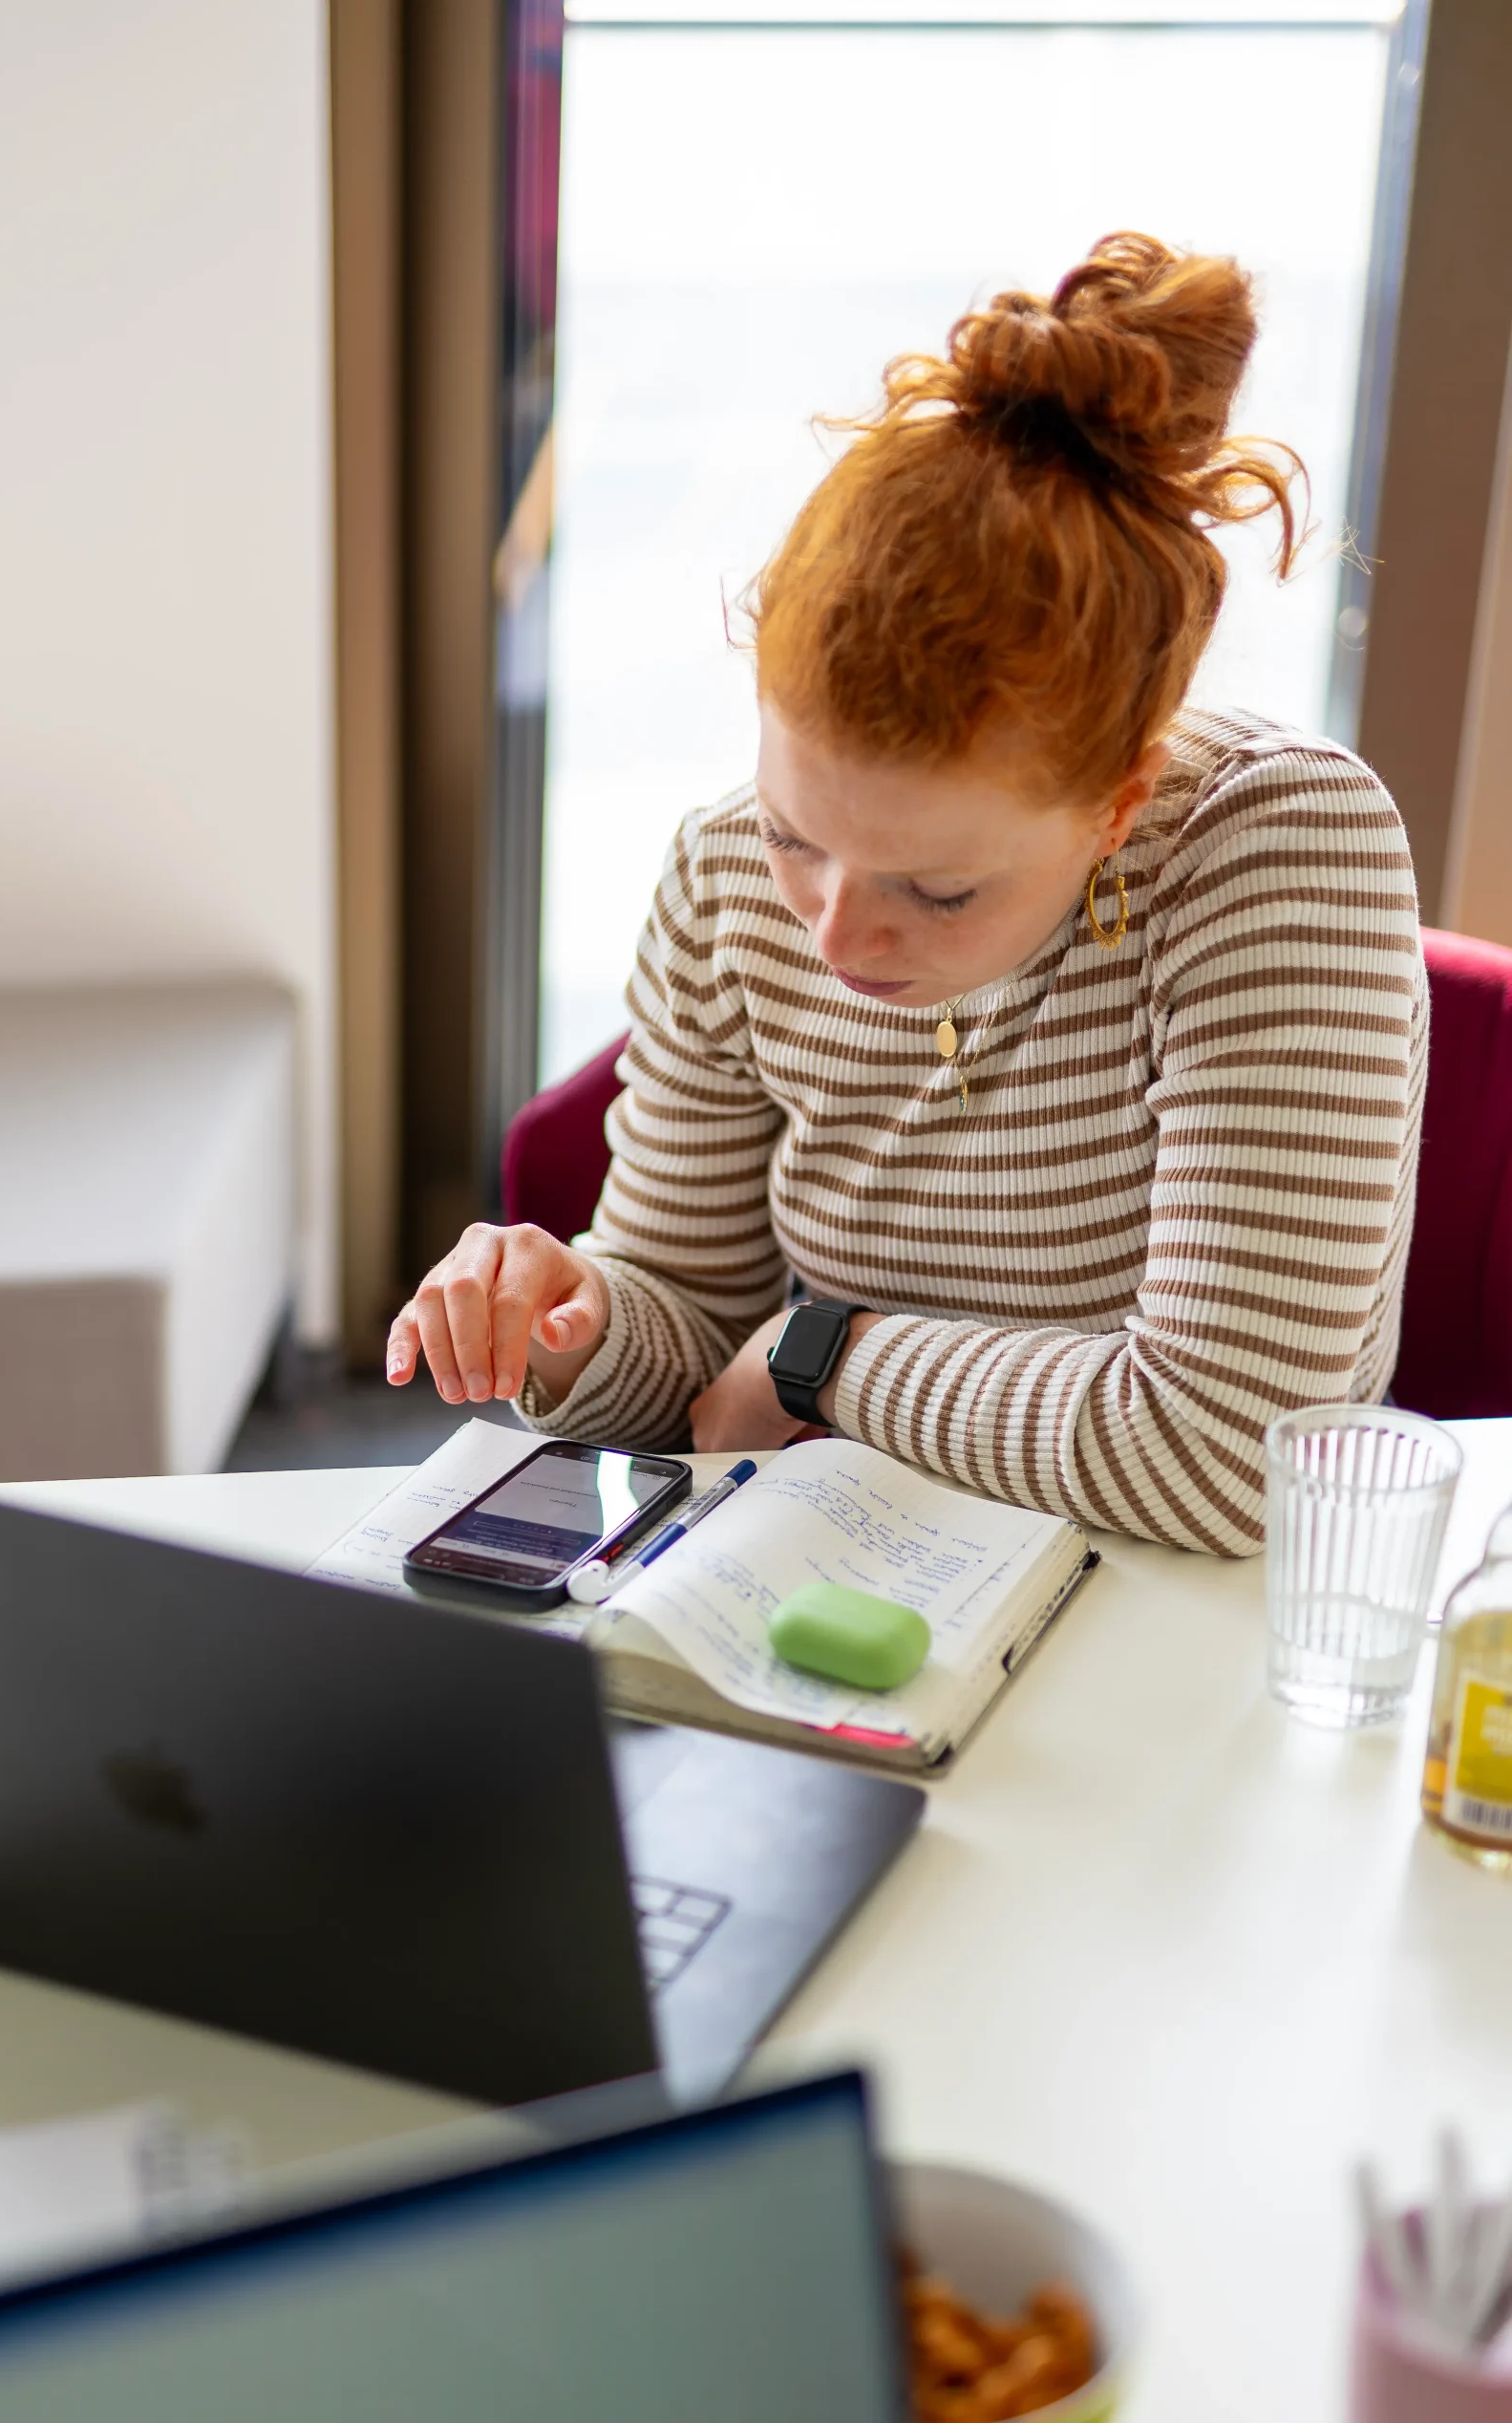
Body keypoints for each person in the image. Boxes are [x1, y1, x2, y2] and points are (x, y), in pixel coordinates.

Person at [386, 232, 1425, 1556]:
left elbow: (1233, 1458)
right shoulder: (721, 880)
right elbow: (696, 1360)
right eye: (793, 833)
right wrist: (570, 1314)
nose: (831, 933)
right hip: (846, 1592)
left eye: (936, 890)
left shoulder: (1274, 845)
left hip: (1178, 1626)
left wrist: (827, 1357)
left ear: (1116, 801)